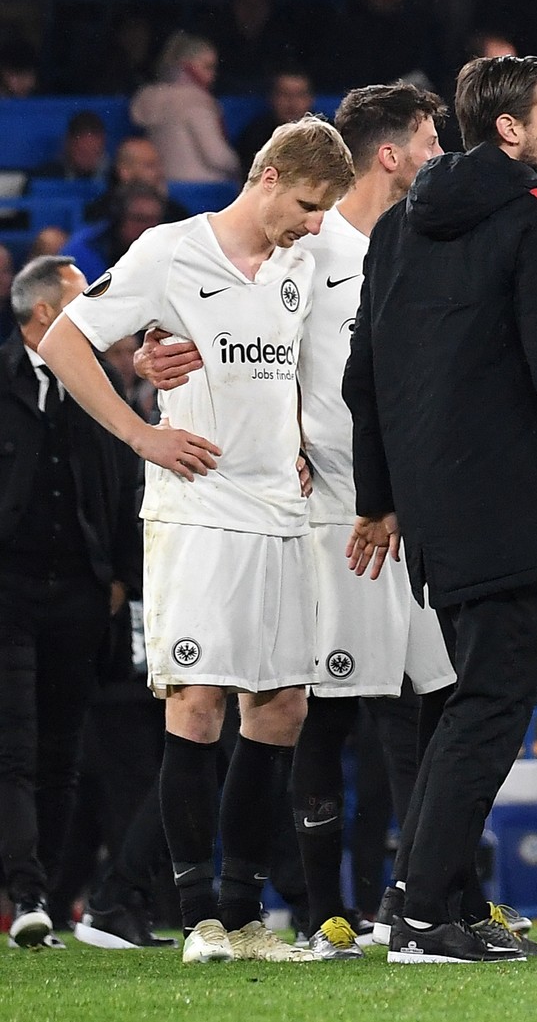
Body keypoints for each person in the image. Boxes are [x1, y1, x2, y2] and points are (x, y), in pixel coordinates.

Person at [132, 83, 469, 960]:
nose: (439, 153)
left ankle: (422, 896)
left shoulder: (387, 244)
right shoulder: (304, 247)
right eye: (430, 139)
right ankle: (314, 908)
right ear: (387, 153)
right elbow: (214, 304)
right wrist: (153, 351)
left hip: (392, 504)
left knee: (410, 697)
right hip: (315, 510)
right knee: (309, 704)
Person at [342, 55, 537, 965]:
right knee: (491, 707)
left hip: (433, 507)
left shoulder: (397, 228)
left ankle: (421, 899)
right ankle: (427, 914)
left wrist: (383, 498)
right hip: (507, 497)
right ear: (510, 130)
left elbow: (364, 379)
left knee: (459, 705)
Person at [37, 117, 355, 964]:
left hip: (281, 511)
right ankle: (196, 918)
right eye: (306, 203)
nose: (315, 222)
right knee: (198, 701)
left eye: (324, 210)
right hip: (199, 507)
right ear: (267, 174)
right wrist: (141, 436)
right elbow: (68, 340)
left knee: (282, 705)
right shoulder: (169, 253)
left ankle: (244, 915)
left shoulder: (306, 257)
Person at [0, 256, 141, 949]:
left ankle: (47, 898)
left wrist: (121, 575)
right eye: (83, 299)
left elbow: (127, 477)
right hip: (10, 594)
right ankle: (25, 891)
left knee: (61, 754)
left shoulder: (100, 383)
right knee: (16, 748)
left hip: (82, 598)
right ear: (45, 314)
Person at [130, 32, 242, 183]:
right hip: (204, 189)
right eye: (208, 67)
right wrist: (242, 164)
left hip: (166, 185)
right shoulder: (196, 104)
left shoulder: (152, 98)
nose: (213, 75)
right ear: (186, 66)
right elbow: (217, 157)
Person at [62, 184, 169, 284]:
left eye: (154, 219)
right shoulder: (84, 248)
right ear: (120, 218)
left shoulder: (168, 249)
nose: (149, 227)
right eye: (140, 219)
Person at [85, 138, 191, 226]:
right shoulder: (101, 214)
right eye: (149, 166)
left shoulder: (176, 214)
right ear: (124, 171)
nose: (159, 173)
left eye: (159, 165)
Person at [236, 69, 317, 173]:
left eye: (299, 94)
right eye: (284, 94)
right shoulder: (254, 135)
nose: (292, 102)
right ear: (272, 97)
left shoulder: (329, 135)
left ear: (311, 98)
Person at [33, 112, 109, 184]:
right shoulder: (47, 176)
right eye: (82, 152)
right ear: (68, 144)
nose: (89, 159)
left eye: (95, 152)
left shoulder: (112, 178)